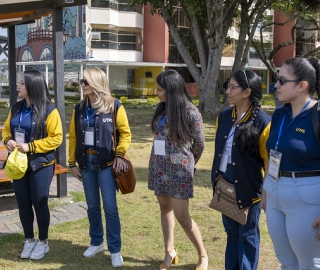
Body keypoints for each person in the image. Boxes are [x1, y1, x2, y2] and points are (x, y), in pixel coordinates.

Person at [68, 67, 131, 268]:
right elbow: (74, 138)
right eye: (82, 82)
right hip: (86, 164)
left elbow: (125, 133)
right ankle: (97, 242)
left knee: (110, 208)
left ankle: (115, 249)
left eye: (86, 81)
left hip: (106, 164)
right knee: (93, 207)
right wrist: (72, 163)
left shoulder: (114, 106)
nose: (83, 85)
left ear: (96, 82)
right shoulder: (78, 109)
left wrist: (120, 154)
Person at [263, 57, 320, 269]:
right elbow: (272, 152)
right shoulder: (280, 113)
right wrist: (266, 189)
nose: (275, 85)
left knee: (309, 264)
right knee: (286, 262)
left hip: (308, 198)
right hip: (275, 193)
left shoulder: (318, 115)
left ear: (302, 86)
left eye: (281, 80)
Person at [148, 69, 208, 270]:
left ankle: (202, 254)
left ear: (171, 90)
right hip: (159, 168)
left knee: (182, 216)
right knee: (165, 209)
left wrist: (188, 163)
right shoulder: (163, 109)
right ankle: (170, 252)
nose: (156, 93)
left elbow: (200, 144)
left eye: (159, 89)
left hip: (179, 172)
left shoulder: (191, 112)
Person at [211, 70, 271, 270]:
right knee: (231, 233)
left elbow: (267, 161)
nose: (227, 91)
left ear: (246, 92)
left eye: (232, 87)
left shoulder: (263, 121)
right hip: (224, 181)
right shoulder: (225, 116)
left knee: (247, 235)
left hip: (247, 185)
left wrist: (265, 191)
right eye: (228, 86)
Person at [2, 69, 63, 260]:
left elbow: (57, 138)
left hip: (41, 165)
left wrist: (31, 146)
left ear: (31, 86)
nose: (18, 86)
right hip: (18, 165)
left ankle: (43, 242)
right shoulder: (16, 108)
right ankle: (29, 239)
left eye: (21, 83)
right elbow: (6, 130)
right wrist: (8, 141)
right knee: (23, 204)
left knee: (39, 202)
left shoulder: (50, 110)